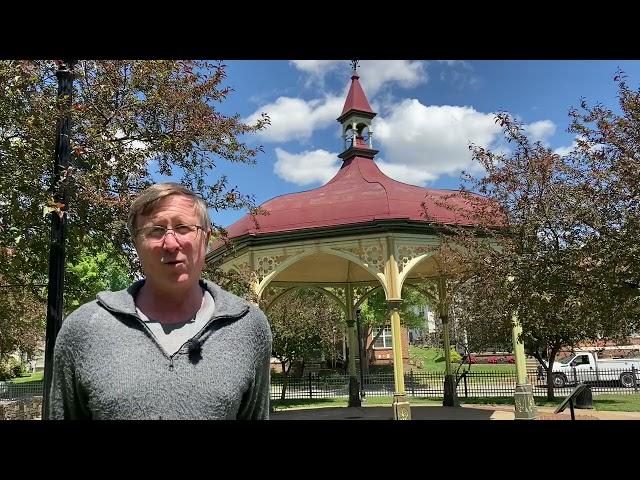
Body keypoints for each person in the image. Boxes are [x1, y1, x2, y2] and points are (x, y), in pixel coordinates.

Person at [49, 183, 272, 419]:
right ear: (136, 244)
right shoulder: (85, 328)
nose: (171, 243)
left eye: (183, 228)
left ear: (205, 239)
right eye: (155, 230)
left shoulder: (248, 327)